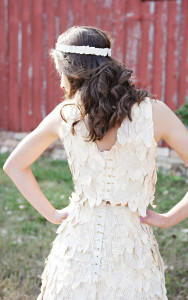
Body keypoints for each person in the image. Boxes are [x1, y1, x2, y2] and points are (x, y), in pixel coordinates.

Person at [3, 25, 188, 300]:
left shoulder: (64, 115)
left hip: (77, 246)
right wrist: (169, 218)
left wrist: (52, 214)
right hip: (131, 251)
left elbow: (14, 165)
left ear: (69, 72)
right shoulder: (155, 113)